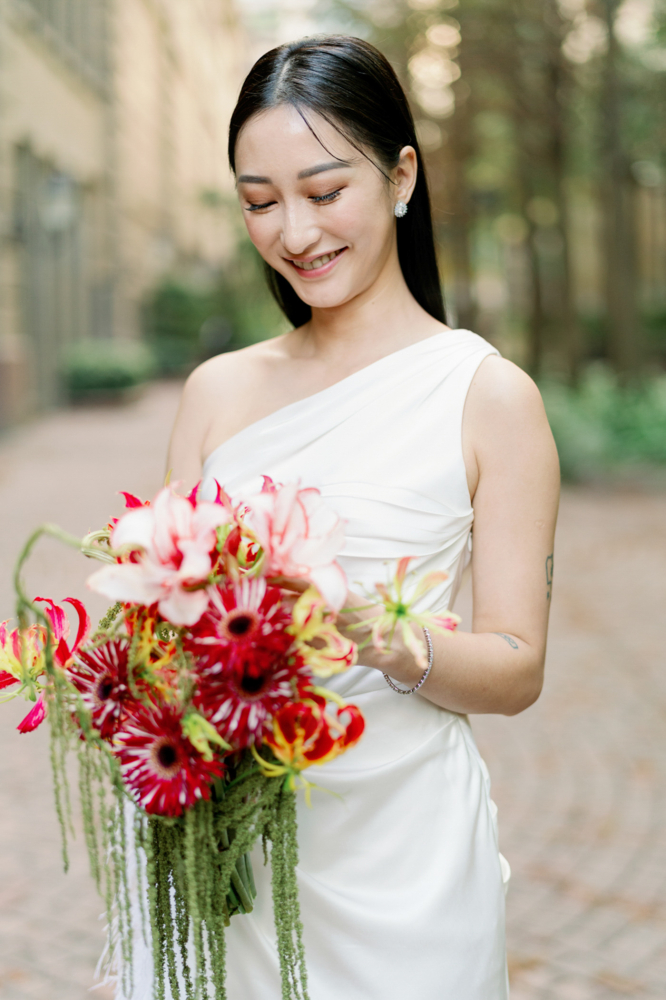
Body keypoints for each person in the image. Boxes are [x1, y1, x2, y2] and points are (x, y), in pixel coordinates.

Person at [154, 35, 558, 1000]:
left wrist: (375, 631)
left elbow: (517, 668)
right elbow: (163, 618)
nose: (295, 232)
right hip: (235, 858)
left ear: (401, 176)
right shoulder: (217, 391)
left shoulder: (487, 395)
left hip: (406, 861)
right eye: (260, 202)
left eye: (325, 191)